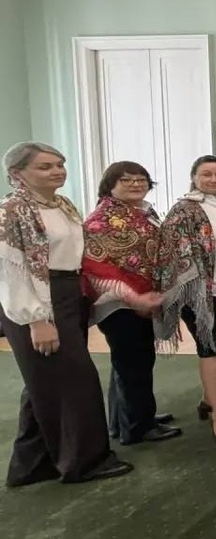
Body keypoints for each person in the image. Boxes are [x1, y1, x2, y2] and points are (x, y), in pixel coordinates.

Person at [0, 142, 133, 486]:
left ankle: (32, 465)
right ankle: (84, 462)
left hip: (68, 293)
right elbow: (11, 271)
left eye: (59, 164)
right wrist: (36, 319)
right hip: (38, 300)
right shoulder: (11, 211)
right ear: (17, 173)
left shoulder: (62, 204)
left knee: (44, 382)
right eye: (45, 166)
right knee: (75, 380)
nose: (57, 171)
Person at [157, 155, 216, 444]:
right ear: (194, 177)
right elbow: (174, 255)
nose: (213, 179)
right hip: (203, 295)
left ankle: (210, 400)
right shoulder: (184, 210)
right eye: (206, 174)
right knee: (214, 351)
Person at [82, 161, 180, 445]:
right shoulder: (102, 220)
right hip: (120, 303)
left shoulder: (140, 212)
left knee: (128, 363)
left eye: (141, 179)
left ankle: (124, 419)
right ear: (110, 185)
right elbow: (98, 266)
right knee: (134, 364)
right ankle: (138, 427)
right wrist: (134, 297)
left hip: (141, 298)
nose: (136, 184)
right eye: (126, 180)